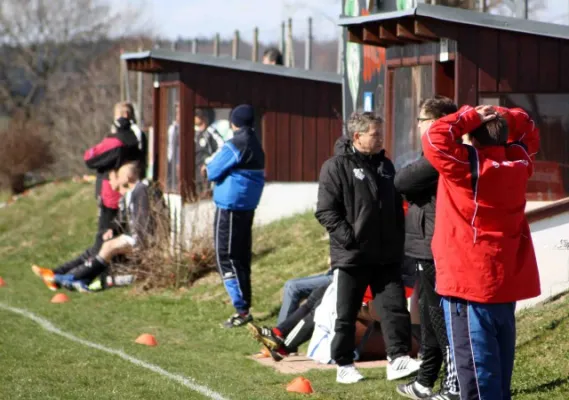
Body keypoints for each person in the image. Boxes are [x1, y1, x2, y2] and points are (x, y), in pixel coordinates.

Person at [422, 104, 540, 400]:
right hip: (503, 281)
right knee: (499, 370)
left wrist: (472, 114)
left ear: (472, 140)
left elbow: (434, 137)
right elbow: (528, 127)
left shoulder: (467, 165)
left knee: (475, 375)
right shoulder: (518, 162)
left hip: (468, 283)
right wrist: (498, 116)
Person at [315, 111, 420, 384]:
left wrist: (398, 240)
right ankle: (344, 364)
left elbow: (396, 207)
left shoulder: (386, 166)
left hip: (387, 255)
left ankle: (397, 358)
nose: (380, 138)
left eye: (381, 133)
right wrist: (351, 239)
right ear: (358, 136)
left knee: (395, 308)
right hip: (353, 256)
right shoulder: (335, 166)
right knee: (346, 313)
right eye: (375, 133)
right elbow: (325, 211)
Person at [394, 95, 460, 400]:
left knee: (439, 319)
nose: (418, 126)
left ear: (435, 123)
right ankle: (425, 380)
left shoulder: (442, 152)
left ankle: (453, 383)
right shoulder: (435, 151)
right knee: (428, 315)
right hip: (424, 246)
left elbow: (403, 181)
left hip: (436, 246)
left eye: (422, 120)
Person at [40, 103, 143, 288]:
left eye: (117, 115)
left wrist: (115, 131)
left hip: (111, 197)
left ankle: (72, 276)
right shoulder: (134, 136)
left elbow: (90, 157)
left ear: (124, 115)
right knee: (103, 242)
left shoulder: (121, 138)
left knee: (100, 245)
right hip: (113, 196)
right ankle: (64, 273)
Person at [33, 161, 153, 292]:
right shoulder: (130, 193)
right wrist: (112, 229)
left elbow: (144, 219)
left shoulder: (141, 189)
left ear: (127, 177)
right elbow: (122, 219)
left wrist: (140, 240)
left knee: (108, 246)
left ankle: (77, 277)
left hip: (141, 238)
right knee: (106, 245)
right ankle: (78, 277)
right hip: (134, 236)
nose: (115, 179)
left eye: (118, 175)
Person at [206, 104, 265, 328]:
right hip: (246, 206)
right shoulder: (257, 145)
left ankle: (241, 309)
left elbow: (213, 170)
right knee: (241, 257)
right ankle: (244, 305)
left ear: (234, 122)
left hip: (230, 205)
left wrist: (208, 168)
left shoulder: (236, 143)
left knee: (226, 257)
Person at [277, 256, 333, 325]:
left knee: (292, 287)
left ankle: (279, 331)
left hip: (337, 277)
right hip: (331, 273)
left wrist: (336, 260)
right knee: (289, 284)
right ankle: (280, 329)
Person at [195, 108, 225, 194]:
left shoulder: (211, 132)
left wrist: (208, 161)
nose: (194, 117)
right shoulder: (193, 132)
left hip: (205, 171)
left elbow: (222, 147)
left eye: (197, 115)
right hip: (194, 171)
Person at [167, 103, 181, 192]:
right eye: (176, 113)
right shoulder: (173, 128)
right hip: (174, 161)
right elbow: (170, 148)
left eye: (179, 112)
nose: (178, 116)